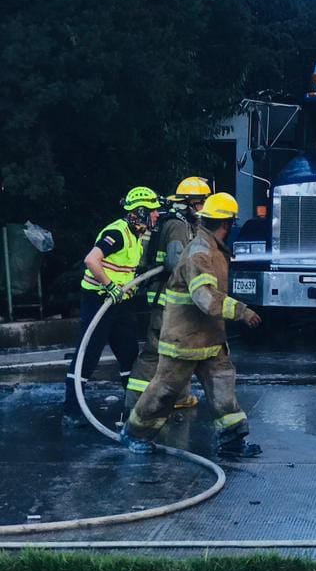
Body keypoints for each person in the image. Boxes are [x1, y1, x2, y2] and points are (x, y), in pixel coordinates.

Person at [121, 192, 264, 458]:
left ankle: (232, 441)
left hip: (209, 339)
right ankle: (134, 434)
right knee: (164, 392)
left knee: (223, 387)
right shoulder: (199, 252)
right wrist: (241, 311)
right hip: (184, 340)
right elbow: (205, 298)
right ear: (227, 223)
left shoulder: (214, 248)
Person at [63, 186, 162, 425]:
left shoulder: (136, 235)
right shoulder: (117, 233)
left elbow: (124, 269)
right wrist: (110, 286)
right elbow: (91, 260)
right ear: (140, 212)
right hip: (99, 300)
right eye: (153, 211)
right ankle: (71, 409)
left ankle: (134, 407)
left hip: (119, 303)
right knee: (88, 354)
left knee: (128, 353)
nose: (157, 216)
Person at [127, 176, 212, 409]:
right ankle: (134, 402)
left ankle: (180, 397)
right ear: (187, 203)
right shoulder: (176, 225)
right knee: (154, 353)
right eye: (200, 203)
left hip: (175, 301)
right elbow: (175, 262)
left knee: (178, 352)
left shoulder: (183, 223)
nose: (203, 209)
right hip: (167, 300)